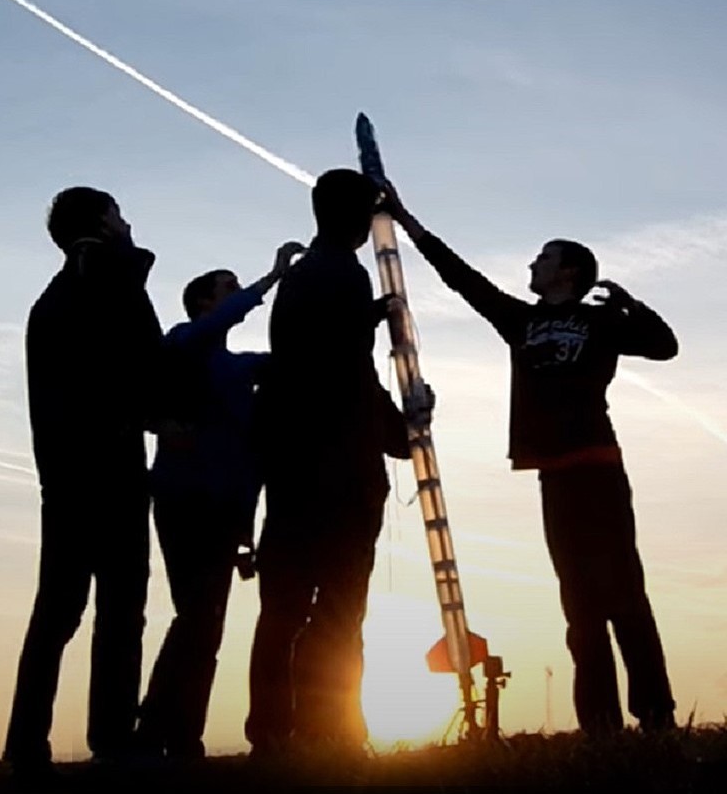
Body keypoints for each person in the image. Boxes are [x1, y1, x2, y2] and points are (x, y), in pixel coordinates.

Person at [382, 182, 679, 736]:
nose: (533, 264)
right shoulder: (520, 322)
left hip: (599, 470)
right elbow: (462, 279)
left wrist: (629, 306)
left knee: (625, 597)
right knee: (580, 607)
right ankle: (600, 725)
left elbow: (665, 345)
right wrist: (405, 219)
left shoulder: (599, 323)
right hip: (555, 477)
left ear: (568, 272)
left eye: (544, 257)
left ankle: (656, 715)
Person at [244, 169, 422, 755]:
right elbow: (344, 372)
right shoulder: (340, 274)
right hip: (338, 475)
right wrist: (403, 428)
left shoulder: (304, 278)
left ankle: (276, 732)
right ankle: (331, 729)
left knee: (284, 609)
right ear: (356, 218)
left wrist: (372, 315)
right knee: (340, 605)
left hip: (293, 468)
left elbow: (312, 362)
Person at [3, 187, 164, 772]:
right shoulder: (107, 276)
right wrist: (161, 415)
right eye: (119, 212)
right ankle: (114, 739)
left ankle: (26, 745)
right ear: (100, 221)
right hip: (109, 466)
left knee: (59, 610)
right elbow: (142, 365)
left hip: (66, 474)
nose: (128, 221)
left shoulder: (52, 299)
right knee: (120, 607)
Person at [136, 241, 305, 760]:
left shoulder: (239, 368)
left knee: (207, 623)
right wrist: (273, 277)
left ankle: (182, 734)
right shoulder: (183, 341)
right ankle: (154, 729)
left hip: (224, 512)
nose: (237, 295)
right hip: (184, 501)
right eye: (228, 288)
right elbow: (224, 323)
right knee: (195, 617)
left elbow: (290, 365)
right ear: (206, 303)